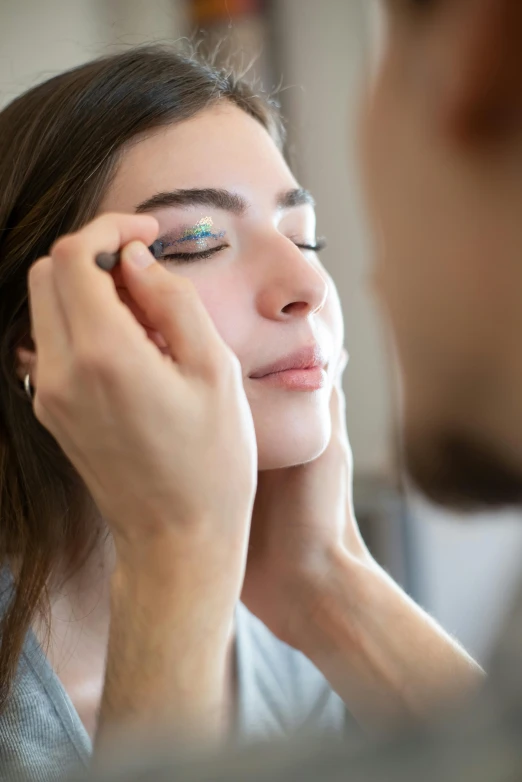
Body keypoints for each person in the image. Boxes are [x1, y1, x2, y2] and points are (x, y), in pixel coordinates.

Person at [0, 42, 482, 782]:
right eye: (198, 241)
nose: (308, 285)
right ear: (39, 336)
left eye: (303, 236)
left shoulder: (300, 655)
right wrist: (179, 544)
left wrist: (328, 577)